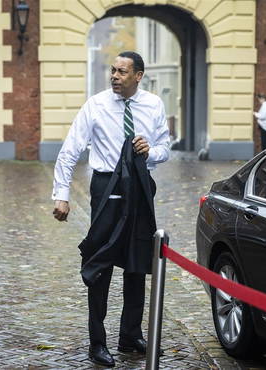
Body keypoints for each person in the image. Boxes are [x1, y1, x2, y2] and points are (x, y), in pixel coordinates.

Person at [52, 51, 170, 367]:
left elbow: (164, 148)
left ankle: (130, 336)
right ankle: (97, 342)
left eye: (121, 71)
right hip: (105, 188)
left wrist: (151, 151)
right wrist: (61, 195)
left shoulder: (154, 105)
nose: (114, 76)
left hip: (141, 187)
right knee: (100, 263)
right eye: (112, 70)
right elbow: (69, 151)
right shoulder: (97, 105)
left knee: (137, 265)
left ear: (138, 75)